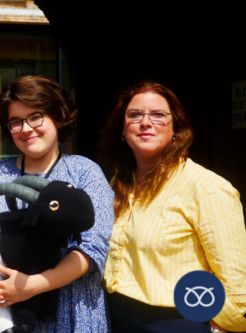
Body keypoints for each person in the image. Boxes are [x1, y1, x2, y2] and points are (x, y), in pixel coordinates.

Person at [0, 75, 115, 333]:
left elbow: (94, 246)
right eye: (15, 122)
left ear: (57, 115)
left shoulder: (85, 172)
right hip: (5, 315)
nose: (26, 128)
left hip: (73, 313)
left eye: (35, 116)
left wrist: (34, 284)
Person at [100, 81, 246, 333]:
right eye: (135, 115)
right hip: (116, 315)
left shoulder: (206, 187)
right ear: (122, 129)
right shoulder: (119, 183)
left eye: (158, 115)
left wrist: (217, 324)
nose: (145, 122)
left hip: (177, 320)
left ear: (176, 128)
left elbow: (236, 286)